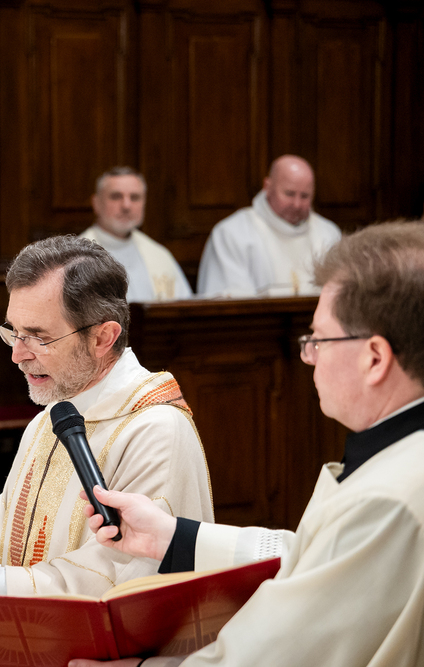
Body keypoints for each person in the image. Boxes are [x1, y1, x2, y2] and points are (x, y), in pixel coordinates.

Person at [74, 222, 424, 667]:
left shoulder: (385, 500)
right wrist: (171, 536)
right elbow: (309, 558)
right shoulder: (400, 459)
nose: (309, 356)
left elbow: (281, 655)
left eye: (319, 340)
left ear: (374, 358)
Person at [0, 235, 213, 664]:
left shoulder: (156, 431)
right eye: (13, 331)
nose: (16, 355)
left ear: (103, 337)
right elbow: (11, 548)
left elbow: (115, 583)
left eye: (37, 337)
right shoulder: (51, 418)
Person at [197, 155, 342, 297]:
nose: (297, 204)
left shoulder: (328, 233)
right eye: (289, 194)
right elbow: (227, 301)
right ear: (267, 186)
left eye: (305, 196)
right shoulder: (232, 233)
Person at [80, 167, 192, 301]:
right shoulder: (79, 257)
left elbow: (183, 306)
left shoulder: (159, 255)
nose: (126, 205)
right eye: (116, 196)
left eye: (134, 197)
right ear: (96, 203)